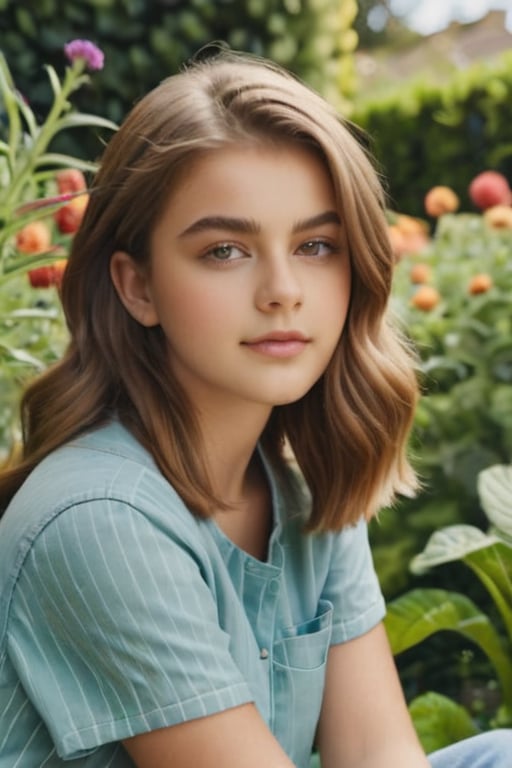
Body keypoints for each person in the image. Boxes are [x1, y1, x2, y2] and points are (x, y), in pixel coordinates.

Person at [0, 48, 510, 768]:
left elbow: (377, 754)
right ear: (136, 286)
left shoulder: (305, 489)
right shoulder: (97, 520)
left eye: (316, 245)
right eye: (225, 251)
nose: (283, 290)